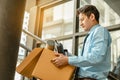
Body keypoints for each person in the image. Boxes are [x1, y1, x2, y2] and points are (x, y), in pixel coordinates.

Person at [51, 5, 112, 80]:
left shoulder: (99, 31)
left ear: (92, 17)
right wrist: (66, 56)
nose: (80, 24)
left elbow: (96, 57)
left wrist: (67, 60)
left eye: (82, 19)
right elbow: (85, 59)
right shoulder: (92, 34)